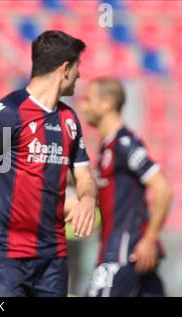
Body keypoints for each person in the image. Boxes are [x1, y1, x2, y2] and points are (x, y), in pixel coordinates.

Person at [0, 30, 97, 297]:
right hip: (4, 254)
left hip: (53, 256)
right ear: (65, 69)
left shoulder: (69, 120)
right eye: (77, 68)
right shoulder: (7, 113)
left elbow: (84, 176)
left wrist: (86, 199)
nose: (80, 75)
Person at [79, 77, 172, 297]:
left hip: (122, 255)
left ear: (107, 104)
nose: (82, 106)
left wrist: (149, 240)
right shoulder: (108, 146)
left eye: (88, 99)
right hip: (127, 255)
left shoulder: (124, 143)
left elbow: (163, 188)